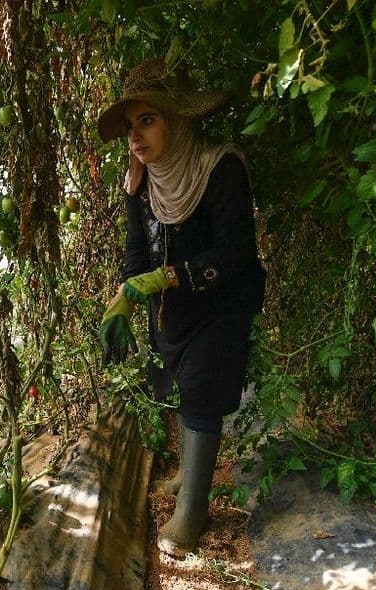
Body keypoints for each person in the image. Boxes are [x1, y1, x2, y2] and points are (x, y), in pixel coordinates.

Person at [97, 58, 266, 555]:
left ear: (181, 121)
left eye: (147, 120)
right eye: (130, 126)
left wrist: (168, 276)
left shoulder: (221, 168)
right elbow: (136, 252)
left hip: (221, 304)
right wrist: (124, 297)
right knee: (178, 382)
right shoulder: (142, 183)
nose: (135, 136)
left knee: (202, 390)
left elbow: (236, 252)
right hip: (172, 310)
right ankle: (189, 479)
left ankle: (193, 509)